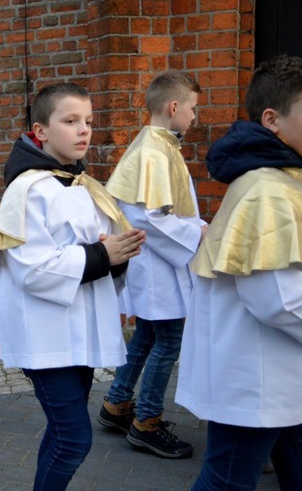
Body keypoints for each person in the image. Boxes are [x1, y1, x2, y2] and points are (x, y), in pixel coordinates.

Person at [0, 83, 146, 490]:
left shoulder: (82, 185)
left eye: (88, 121)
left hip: (80, 331)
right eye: (70, 121)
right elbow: (33, 270)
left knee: (60, 433)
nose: (83, 130)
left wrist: (120, 254)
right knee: (74, 439)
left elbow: (104, 251)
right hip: (46, 338)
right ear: (40, 131)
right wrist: (104, 255)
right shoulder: (28, 190)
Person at [176, 54, 302, 490]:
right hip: (257, 375)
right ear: (272, 119)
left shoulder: (285, 177)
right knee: (227, 481)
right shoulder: (267, 187)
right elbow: (277, 299)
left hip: (282, 372)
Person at [96, 70, 206, 459]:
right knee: (168, 340)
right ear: (174, 107)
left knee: (146, 336)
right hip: (156, 266)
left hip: (156, 264)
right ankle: (146, 422)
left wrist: (197, 227)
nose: (195, 116)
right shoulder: (154, 150)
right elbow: (146, 218)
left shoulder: (159, 145)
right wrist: (198, 236)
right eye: (193, 108)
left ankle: (116, 403)